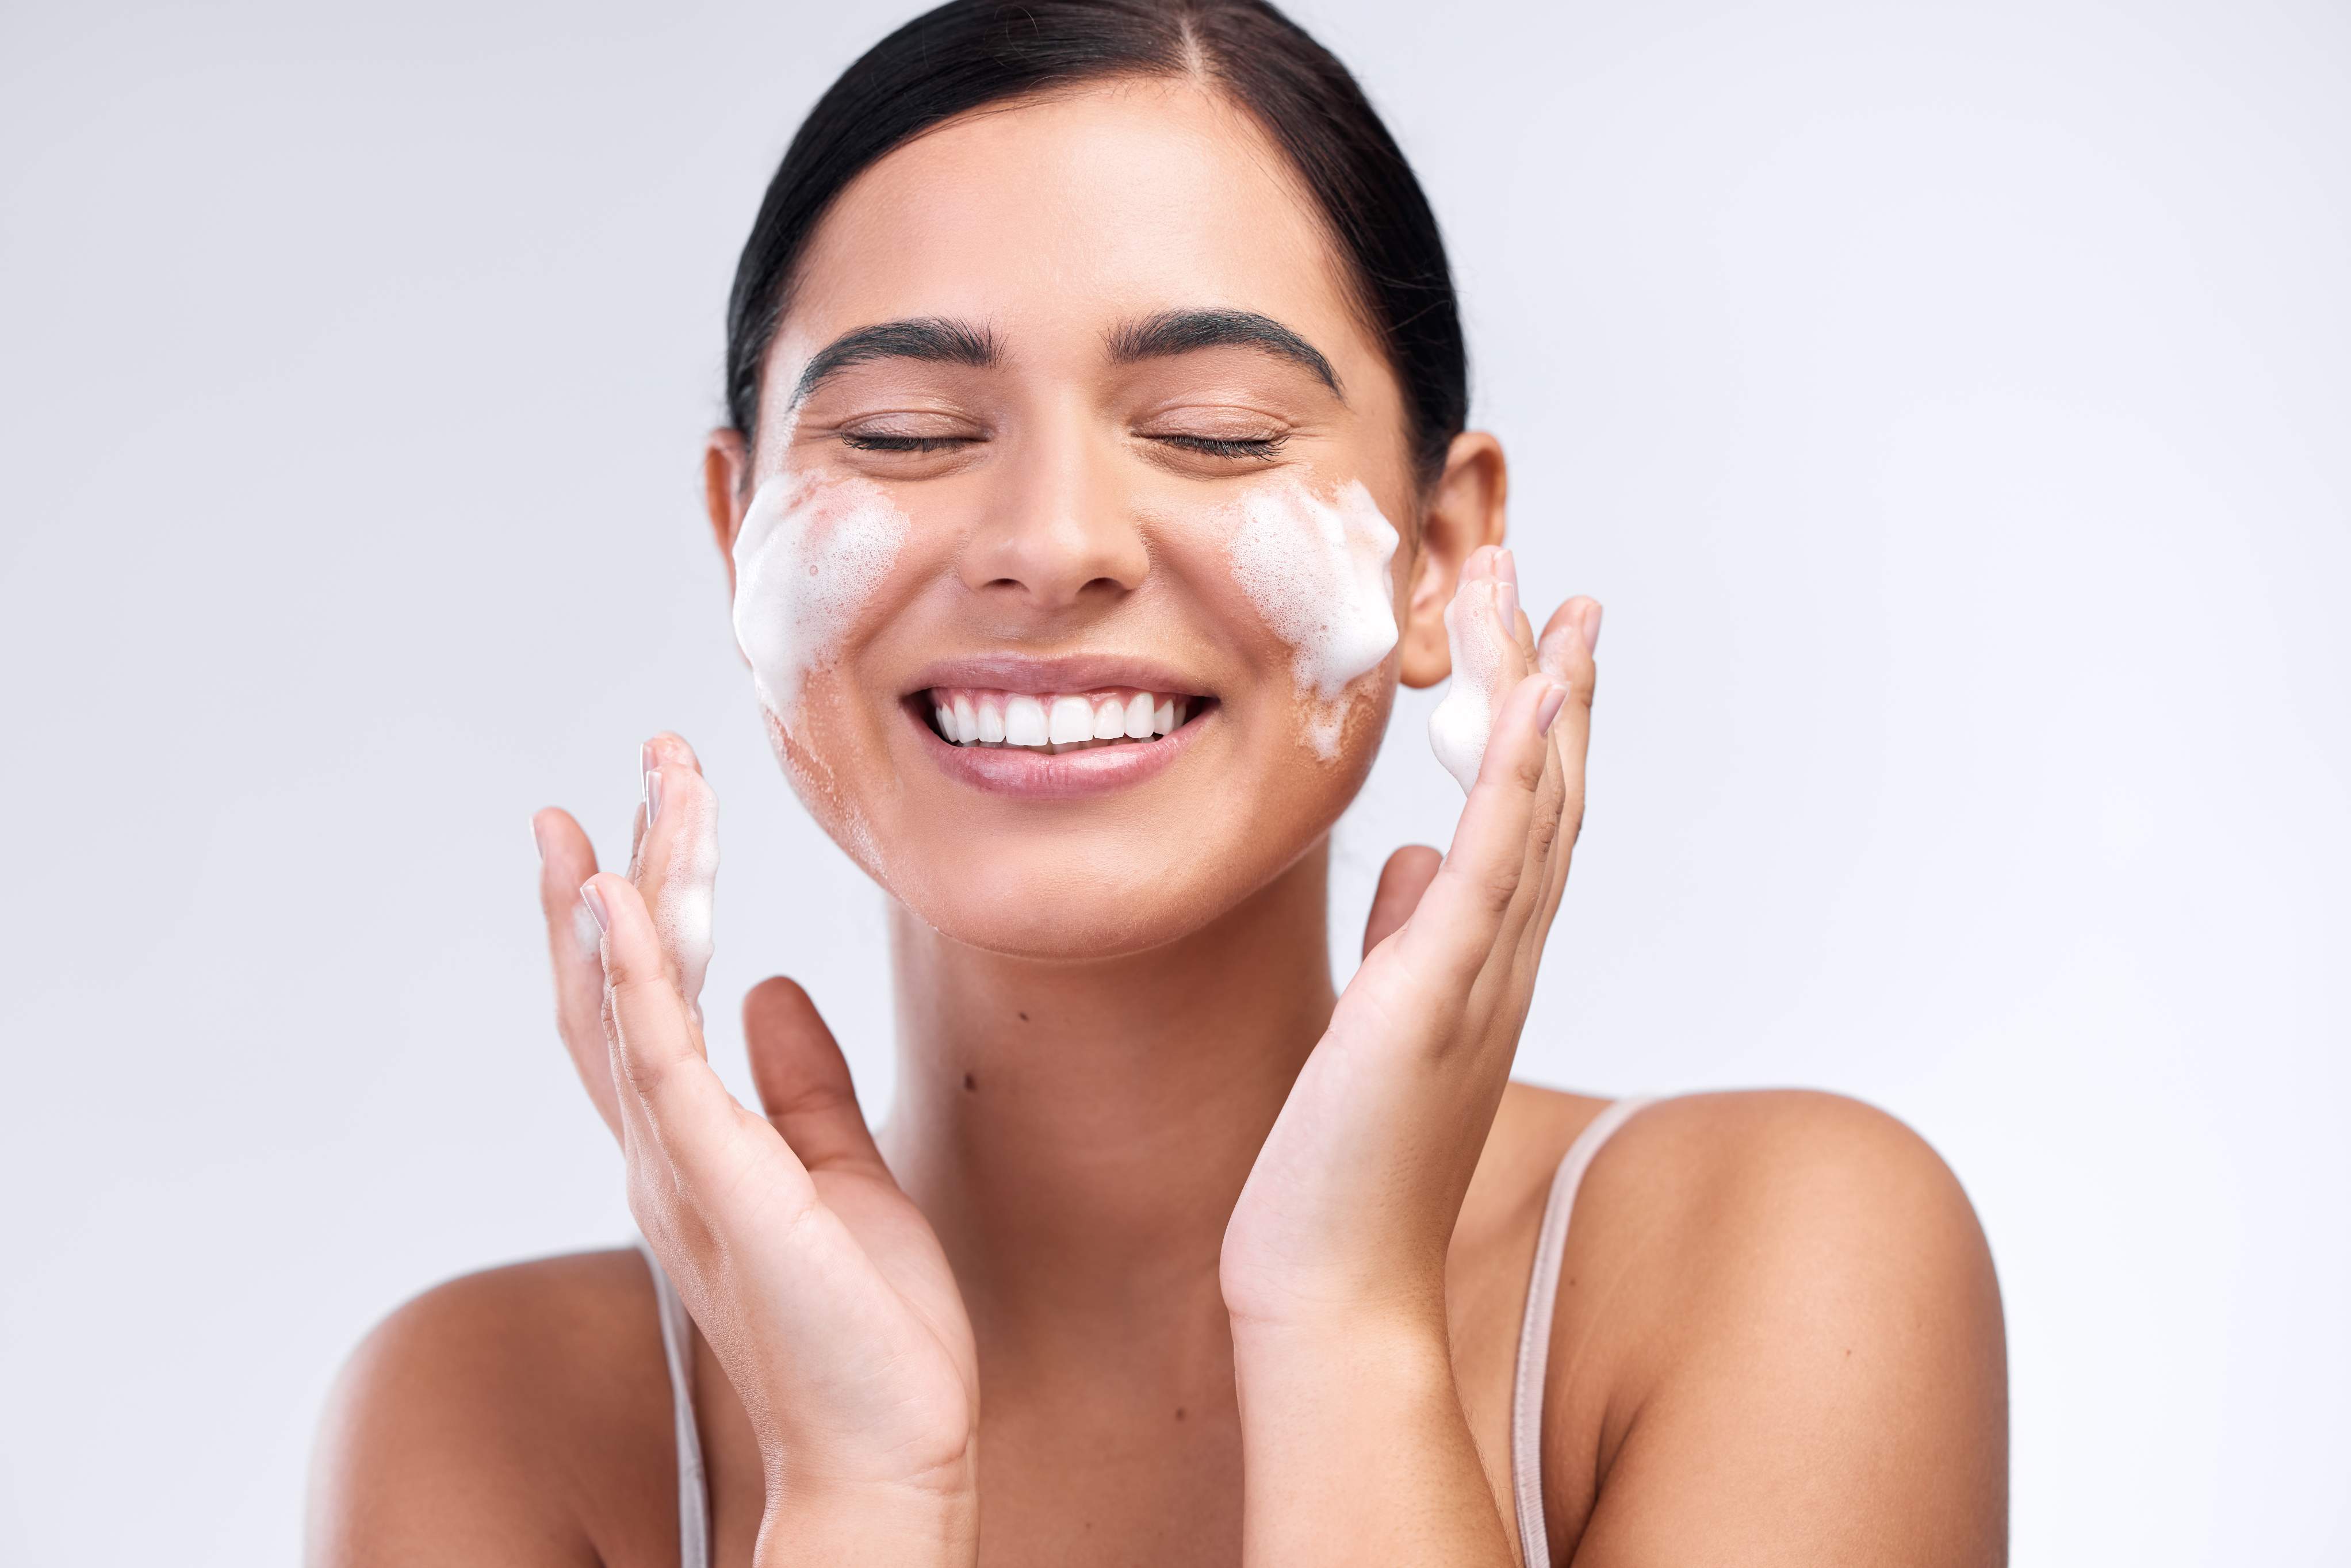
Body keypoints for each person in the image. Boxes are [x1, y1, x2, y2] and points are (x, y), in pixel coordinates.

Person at [307, 2, 2008, 1562]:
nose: (1049, 548)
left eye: (1211, 432)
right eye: (903, 434)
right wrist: (859, 1490)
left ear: (1440, 555)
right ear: (736, 534)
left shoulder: (1773, 1268)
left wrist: (1344, 1330)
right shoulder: (495, 1420)